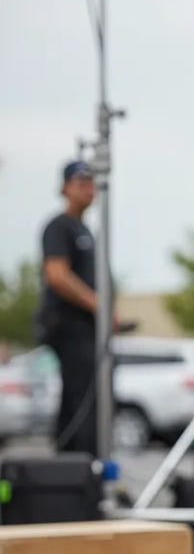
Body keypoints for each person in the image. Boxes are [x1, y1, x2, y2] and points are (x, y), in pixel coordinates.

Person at [36, 159, 108, 456]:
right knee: (82, 398)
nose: (89, 189)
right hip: (68, 325)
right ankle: (79, 465)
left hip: (87, 327)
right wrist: (97, 303)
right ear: (65, 187)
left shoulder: (86, 231)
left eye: (91, 183)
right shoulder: (59, 227)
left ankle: (74, 467)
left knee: (84, 397)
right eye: (81, 183)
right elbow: (57, 275)